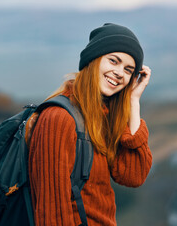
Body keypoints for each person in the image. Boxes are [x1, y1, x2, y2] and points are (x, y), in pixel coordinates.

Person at [24, 23, 152, 225]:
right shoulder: (58, 119)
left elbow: (133, 175)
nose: (119, 73)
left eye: (128, 70)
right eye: (113, 61)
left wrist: (134, 102)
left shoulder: (102, 117)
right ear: (93, 59)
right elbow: (51, 215)